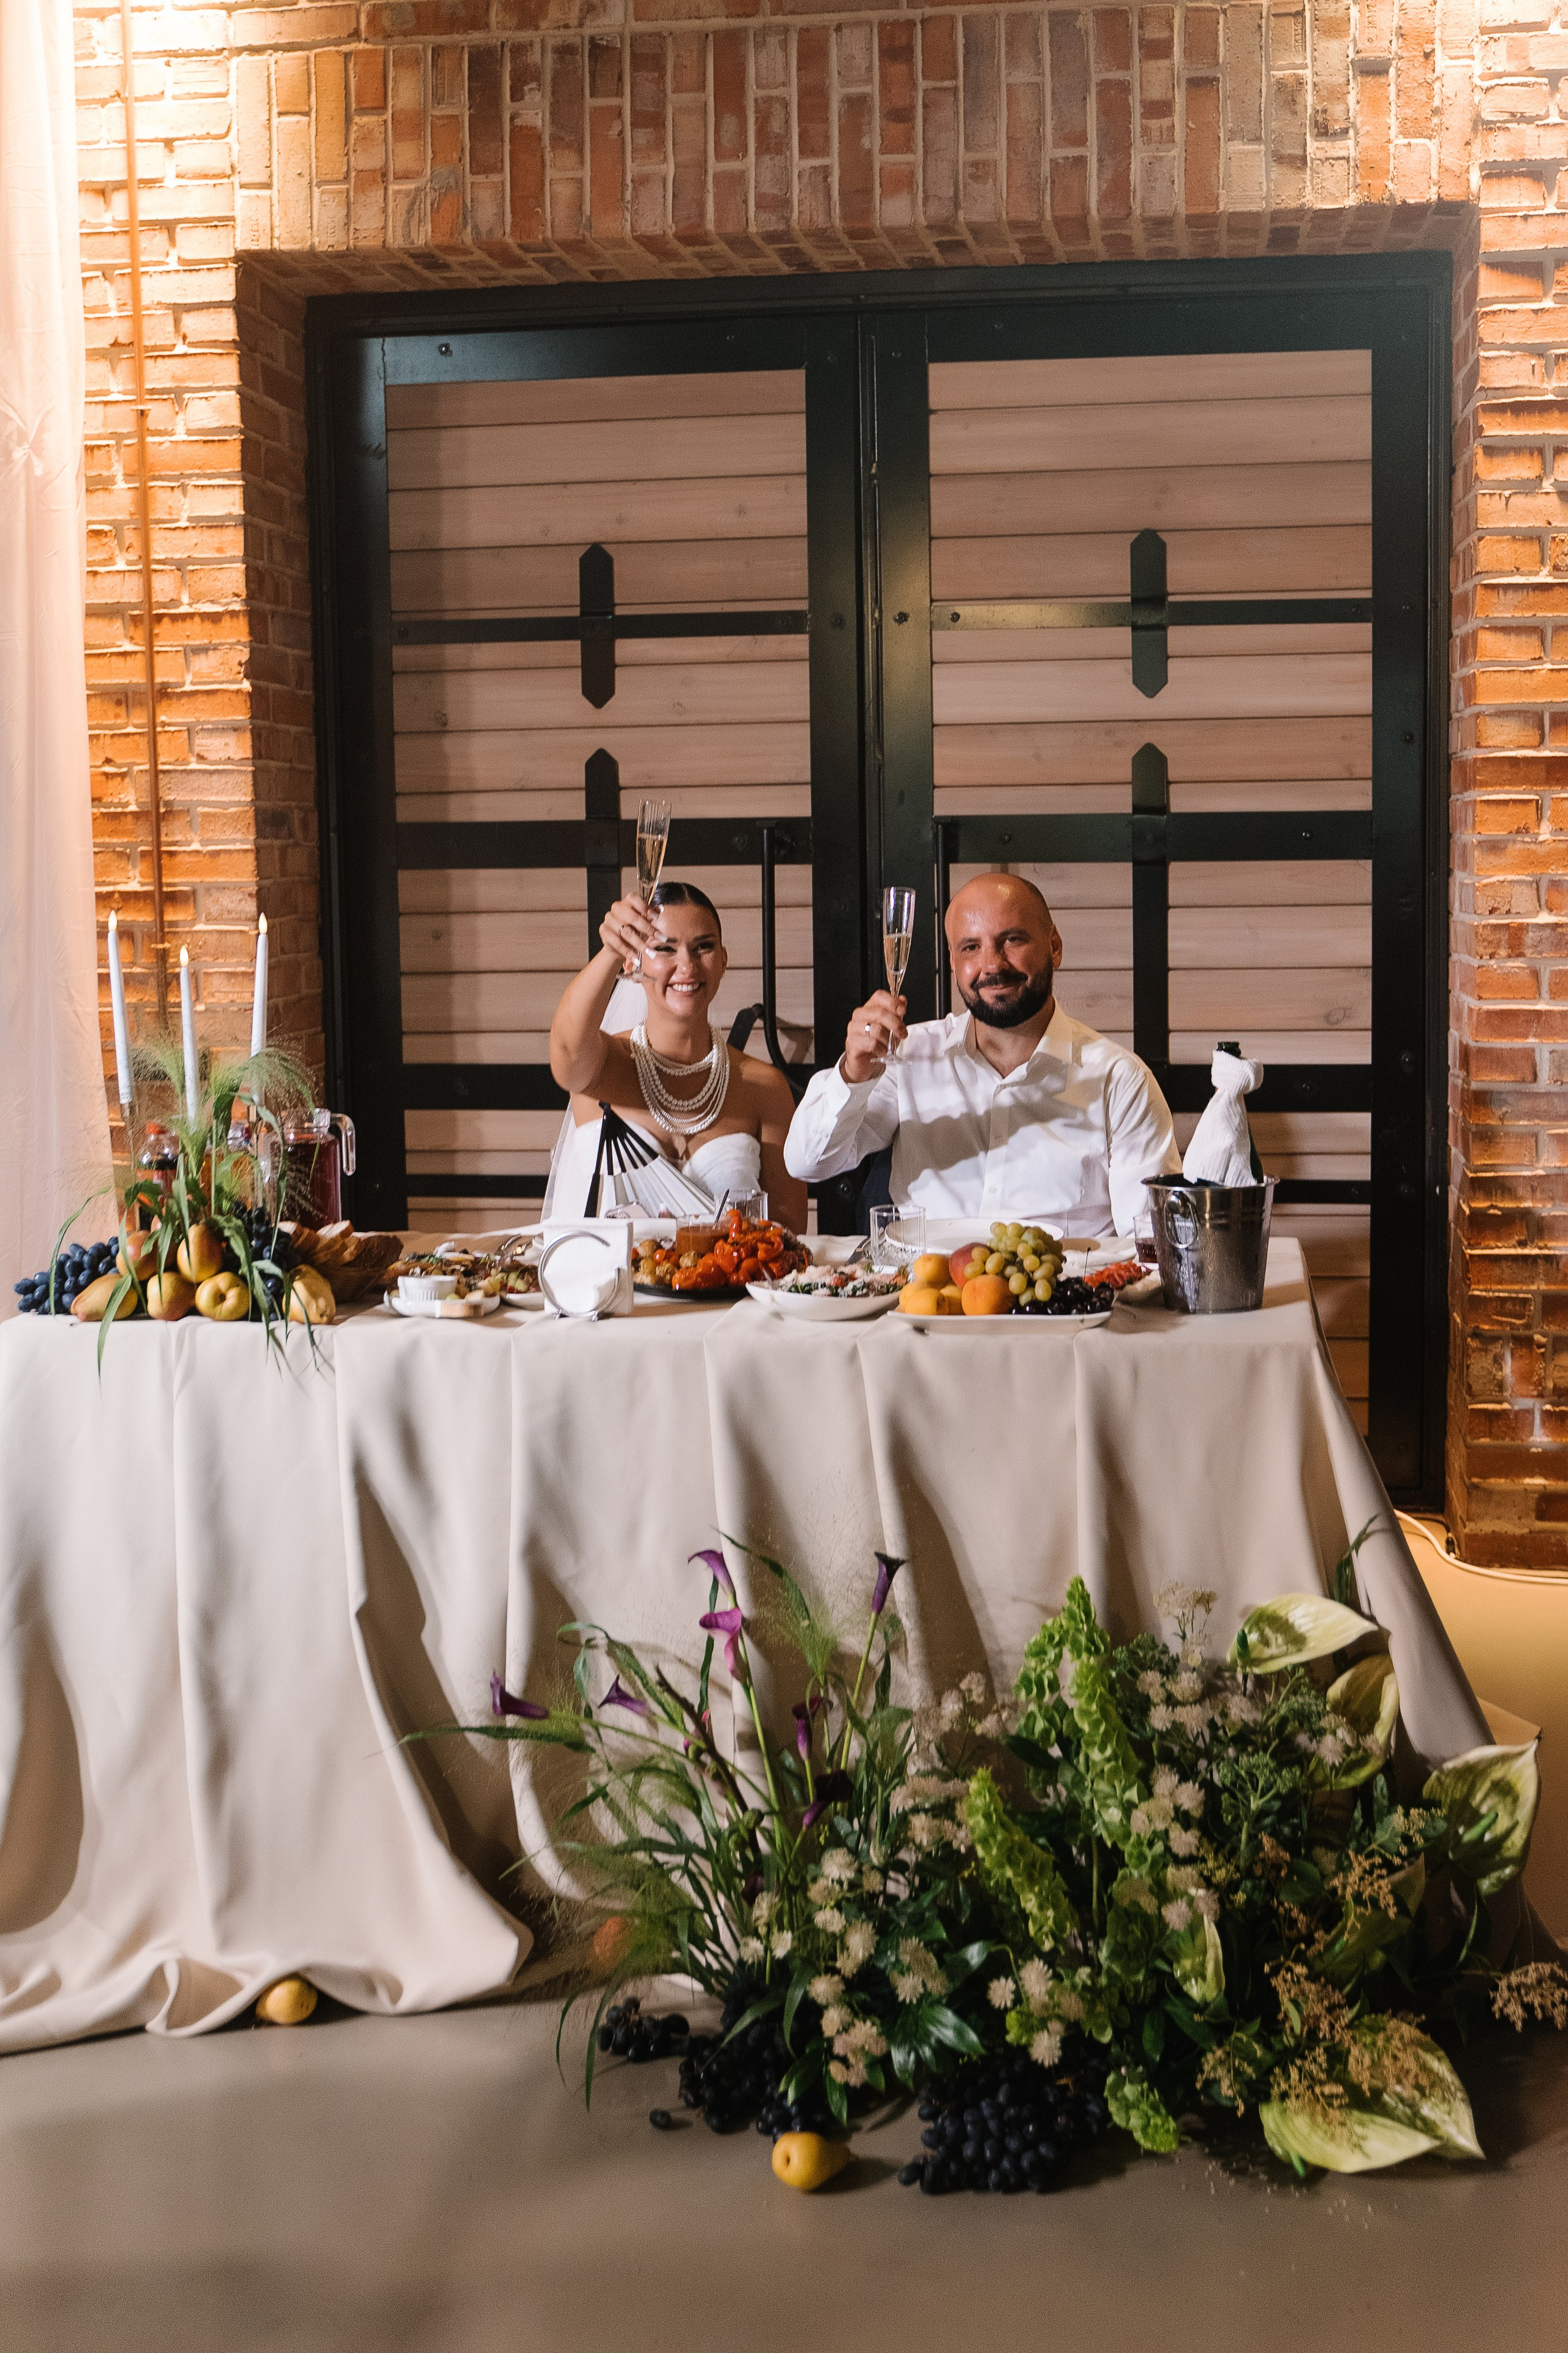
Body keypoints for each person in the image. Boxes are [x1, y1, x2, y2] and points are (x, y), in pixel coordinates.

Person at [783, 871, 1178, 1237]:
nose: (992, 964)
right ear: (953, 961)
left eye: (1013, 940)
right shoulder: (909, 1056)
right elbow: (808, 1163)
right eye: (971, 947)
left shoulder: (1119, 1079)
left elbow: (1149, 1241)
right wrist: (853, 1075)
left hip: (1061, 1302)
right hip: (924, 1297)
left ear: (1054, 947)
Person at [548, 880, 808, 1230]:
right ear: (632, 962)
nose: (687, 966)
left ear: (724, 960)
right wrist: (611, 950)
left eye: (703, 947)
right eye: (665, 949)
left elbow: (788, 1233)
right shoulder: (603, 1066)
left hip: (729, 1284)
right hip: (615, 1283)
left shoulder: (765, 1087)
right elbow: (566, 1054)